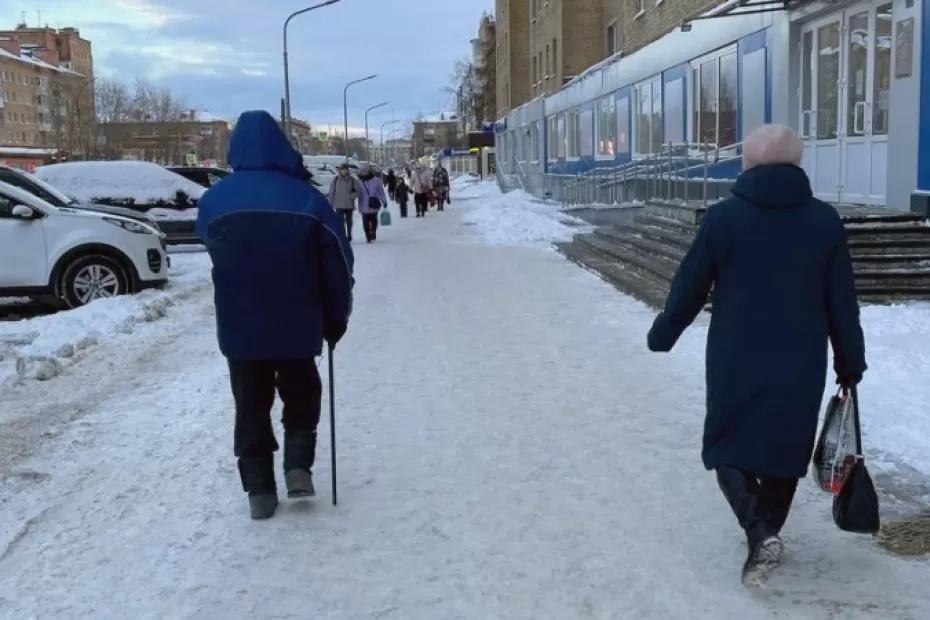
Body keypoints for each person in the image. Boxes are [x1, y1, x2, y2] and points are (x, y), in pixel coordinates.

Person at [646, 124, 866, 586]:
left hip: (735, 357)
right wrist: (850, 360)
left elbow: (689, 286)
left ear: (748, 164)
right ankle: (765, 534)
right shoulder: (824, 222)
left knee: (726, 444)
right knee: (786, 452)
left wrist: (664, 333)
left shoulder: (724, 219)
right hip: (801, 360)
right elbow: (841, 300)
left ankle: (758, 530)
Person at [196, 111, 354, 520]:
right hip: (298, 320)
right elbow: (337, 263)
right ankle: (298, 467)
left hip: (239, 326)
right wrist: (336, 318)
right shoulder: (307, 199)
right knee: (302, 391)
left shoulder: (214, 201)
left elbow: (212, 249)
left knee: (250, 403)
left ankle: (260, 492)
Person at [328, 163, 362, 241]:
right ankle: (342, 235)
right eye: (342, 170)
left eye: (345, 170)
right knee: (340, 222)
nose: (344, 171)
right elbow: (332, 192)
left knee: (349, 221)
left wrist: (352, 196)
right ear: (340, 170)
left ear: (347, 170)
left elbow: (359, 191)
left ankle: (349, 234)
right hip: (338, 204)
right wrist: (330, 203)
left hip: (349, 204)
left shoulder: (352, 180)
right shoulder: (335, 179)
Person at [357, 162, 389, 243]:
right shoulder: (358, 181)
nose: (364, 172)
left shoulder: (376, 180)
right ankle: (368, 235)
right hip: (363, 204)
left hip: (373, 203)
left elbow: (381, 192)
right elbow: (354, 191)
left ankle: (373, 232)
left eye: (365, 170)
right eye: (362, 170)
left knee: (374, 220)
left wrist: (384, 201)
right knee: (365, 221)